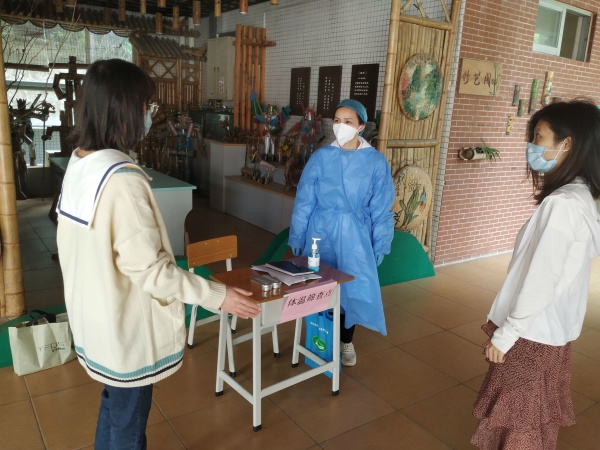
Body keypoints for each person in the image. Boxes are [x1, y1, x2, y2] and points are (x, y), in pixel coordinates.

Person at [56, 59, 261, 450]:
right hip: (126, 330)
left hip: (96, 320)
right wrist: (218, 296)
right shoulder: (120, 180)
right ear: (122, 109)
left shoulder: (81, 164)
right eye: (145, 106)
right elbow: (153, 272)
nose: (149, 115)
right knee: (129, 422)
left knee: (114, 405)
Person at [471, 99, 600, 449]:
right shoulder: (580, 197)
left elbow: (542, 280)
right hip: (549, 333)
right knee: (534, 415)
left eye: (539, 137)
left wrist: (506, 335)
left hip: (531, 335)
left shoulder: (563, 205)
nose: (532, 146)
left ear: (566, 144)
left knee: (519, 422)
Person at [288, 99, 395, 367]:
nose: (341, 126)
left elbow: (381, 207)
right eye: (337, 121)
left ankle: (346, 340)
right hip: (320, 231)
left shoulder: (375, 162)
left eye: (348, 121)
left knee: (351, 288)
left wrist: (381, 243)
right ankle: (320, 336)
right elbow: (304, 200)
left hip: (355, 235)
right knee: (319, 285)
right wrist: (298, 235)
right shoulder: (321, 157)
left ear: (361, 126)